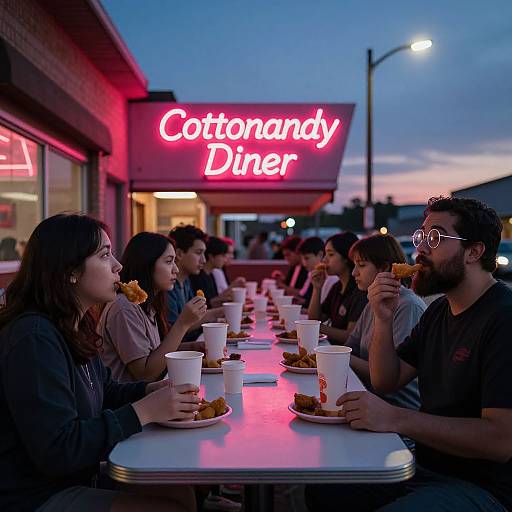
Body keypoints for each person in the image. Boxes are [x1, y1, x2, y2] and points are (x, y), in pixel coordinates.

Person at [307, 197, 512, 512]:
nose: (421, 250)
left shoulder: (502, 317)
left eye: (435, 238)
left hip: (483, 487)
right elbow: (386, 379)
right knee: (325, 488)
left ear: (474, 251)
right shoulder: (439, 310)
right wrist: (383, 319)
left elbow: (501, 440)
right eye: (421, 237)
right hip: (425, 467)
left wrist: (394, 417)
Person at [0, 214, 199, 512]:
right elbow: (58, 449)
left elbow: (105, 390)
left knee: (180, 487)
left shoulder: (74, 325)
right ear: (70, 271)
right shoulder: (34, 337)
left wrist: (150, 391)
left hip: (79, 473)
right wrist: (143, 411)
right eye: (105, 255)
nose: (118, 266)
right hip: (37, 494)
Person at [97, 232, 207, 383]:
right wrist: (183, 325)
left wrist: (191, 347)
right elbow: (146, 374)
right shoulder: (125, 307)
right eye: (169, 261)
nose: (176, 269)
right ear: (147, 264)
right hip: (132, 403)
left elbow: (156, 353)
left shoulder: (149, 304)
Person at [346, 234, 424, 410]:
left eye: (361, 265)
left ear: (384, 268)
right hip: (368, 400)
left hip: (396, 414)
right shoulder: (374, 301)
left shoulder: (408, 306)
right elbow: (350, 346)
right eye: (354, 265)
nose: (354, 272)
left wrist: (335, 356)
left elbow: (387, 376)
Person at [308, 232, 367, 345]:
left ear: (346, 258)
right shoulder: (337, 287)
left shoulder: (360, 290)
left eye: (330, 254)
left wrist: (315, 327)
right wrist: (317, 288)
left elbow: (350, 336)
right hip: (330, 349)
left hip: (345, 357)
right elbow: (315, 318)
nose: (324, 260)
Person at [167, 225, 221, 342]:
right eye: (198, 253)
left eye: (204, 254)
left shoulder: (186, 281)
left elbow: (195, 317)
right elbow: (172, 331)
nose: (204, 260)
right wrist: (220, 311)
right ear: (179, 254)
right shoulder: (167, 287)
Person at [189, 236, 245, 308]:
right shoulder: (197, 276)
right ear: (211, 256)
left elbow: (214, 300)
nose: (225, 260)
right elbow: (206, 306)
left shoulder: (210, 275)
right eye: (223, 256)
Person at [295, 237, 327, 308]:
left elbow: (324, 310)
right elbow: (303, 296)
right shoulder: (311, 273)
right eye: (302, 259)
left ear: (320, 255)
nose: (303, 263)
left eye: (307, 258)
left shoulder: (328, 277)